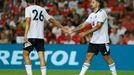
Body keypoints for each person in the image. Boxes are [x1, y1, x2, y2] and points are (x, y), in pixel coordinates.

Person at [23, 0, 69, 75]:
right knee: (41, 56)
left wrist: (25, 35)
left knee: (25, 54)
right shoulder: (42, 9)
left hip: (30, 36)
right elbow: (52, 20)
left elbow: (28, 22)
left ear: (27, 2)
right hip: (40, 37)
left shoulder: (28, 9)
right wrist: (63, 28)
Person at [72, 0, 117, 75]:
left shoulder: (102, 13)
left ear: (98, 3)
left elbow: (98, 26)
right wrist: (72, 30)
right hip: (93, 41)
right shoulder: (92, 14)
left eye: (93, 2)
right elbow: (83, 25)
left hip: (102, 41)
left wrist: (85, 33)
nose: (91, 4)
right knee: (88, 57)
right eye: (91, 2)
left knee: (107, 58)